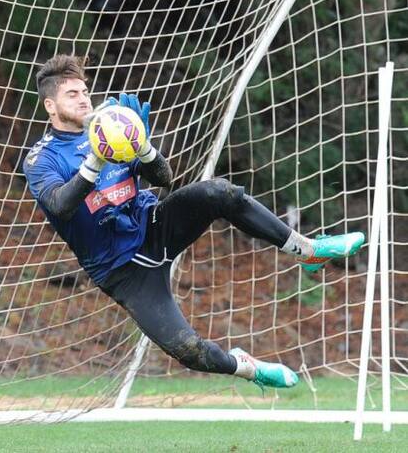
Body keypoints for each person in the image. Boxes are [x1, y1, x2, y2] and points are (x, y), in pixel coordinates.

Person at [23, 54, 365, 388]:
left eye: (85, 91)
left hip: (154, 225)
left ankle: (308, 250)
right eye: (72, 94)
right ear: (50, 105)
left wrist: (144, 147)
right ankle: (247, 368)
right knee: (189, 352)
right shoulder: (42, 158)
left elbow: (164, 178)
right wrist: (98, 158)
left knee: (220, 192)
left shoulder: (112, 126)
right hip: (122, 272)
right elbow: (60, 205)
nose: (83, 99)